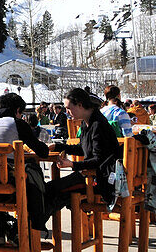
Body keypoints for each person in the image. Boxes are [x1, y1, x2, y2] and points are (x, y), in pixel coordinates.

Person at [0, 92, 51, 244]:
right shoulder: (16, 123)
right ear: (17, 110)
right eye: (21, 113)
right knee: (32, 174)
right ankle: (25, 226)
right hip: (7, 180)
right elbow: (42, 152)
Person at [46, 88, 121, 219]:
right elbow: (83, 148)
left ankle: (34, 229)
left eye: (69, 108)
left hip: (99, 179)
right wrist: (58, 146)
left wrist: (72, 164)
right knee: (54, 192)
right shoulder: (88, 122)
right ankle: (36, 227)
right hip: (92, 175)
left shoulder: (98, 125)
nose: (67, 112)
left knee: (51, 189)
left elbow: (98, 160)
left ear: (80, 105)